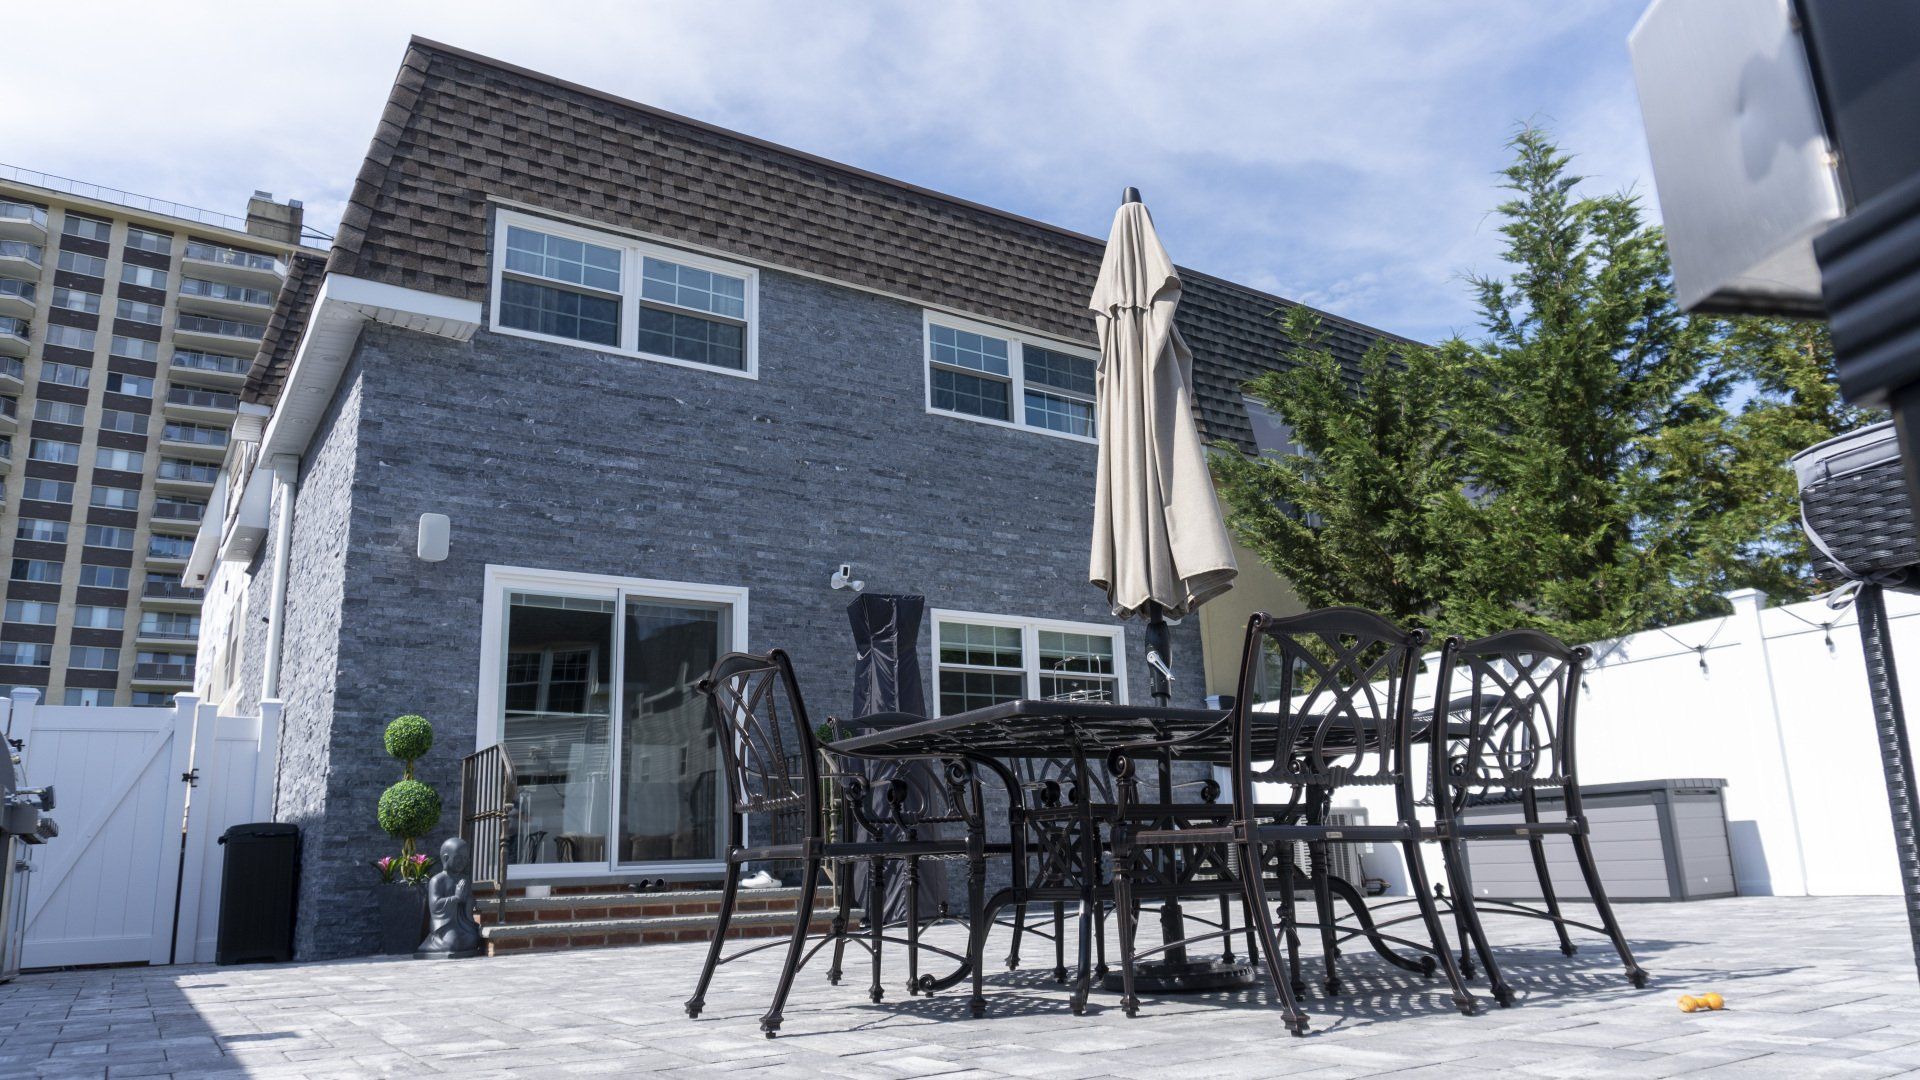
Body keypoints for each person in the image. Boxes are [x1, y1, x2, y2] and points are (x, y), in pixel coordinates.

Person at [416, 836, 484, 958]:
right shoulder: (437, 880)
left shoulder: (464, 879)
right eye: (458, 858)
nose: (462, 862)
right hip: (445, 925)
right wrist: (456, 898)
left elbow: (468, 901)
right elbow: (435, 906)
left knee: (473, 939)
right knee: (453, 943)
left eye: (465, 859)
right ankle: (431, 943)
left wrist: (469, 901)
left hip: (462, 923)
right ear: (446, 858)